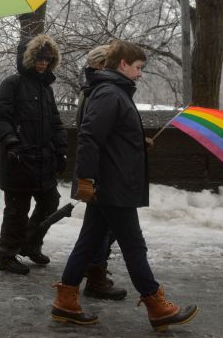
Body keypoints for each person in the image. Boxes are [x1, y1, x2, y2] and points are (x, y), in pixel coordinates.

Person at [50, 40, 198, 332]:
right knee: (133, 245)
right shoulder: (109, 93)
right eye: (138, 67)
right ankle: (156, 305)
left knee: (89, 241)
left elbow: (112, 135)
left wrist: (137, 144)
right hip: (112, 186)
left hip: (112, 183)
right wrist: (86, 179)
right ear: (122, 64)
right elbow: (90, 137)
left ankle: (66, 301)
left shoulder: (114, 92)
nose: (141, 74)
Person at [0, 34, 68, 275]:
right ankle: (7, 255)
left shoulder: (45, 89)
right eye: (39, 59)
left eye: (47, 59)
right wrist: (11, 141)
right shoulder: (13, 83)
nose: (43, 64)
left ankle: (30, 244)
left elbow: (55, 123)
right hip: (18, 159)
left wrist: (61, 152)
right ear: (28, 58)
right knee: (17, 210)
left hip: (43, 160)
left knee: (50, 203)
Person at [73, 45, 127, 301]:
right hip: (103, 173)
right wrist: (88, 177)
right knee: (103, 230)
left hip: (103, 170)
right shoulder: (99, 92)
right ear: (99, 66)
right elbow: (92, 135)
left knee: (98, 229)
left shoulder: (96, 91)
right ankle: (93, 277)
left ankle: (86, 277)